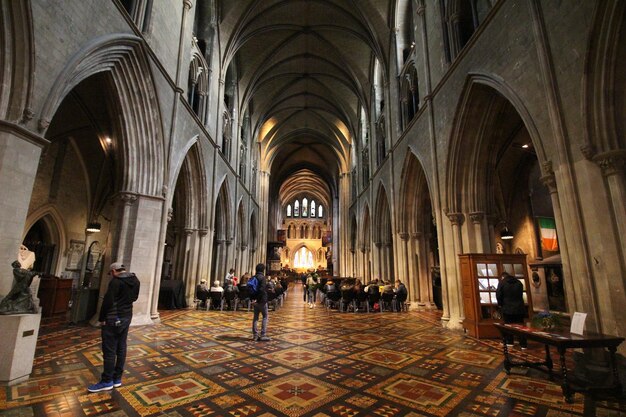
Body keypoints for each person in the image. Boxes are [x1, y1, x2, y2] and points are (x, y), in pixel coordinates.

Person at [88, 262, 140, 392]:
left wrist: (102, 318)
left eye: (111, 273)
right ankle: (117, 378)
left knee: (110, 349)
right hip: (127, 316)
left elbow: (108, 301)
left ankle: (107, 381)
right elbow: (134, 298)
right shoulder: (135, 280)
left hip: (113, 317)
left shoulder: (116, 282)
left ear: (113, 271)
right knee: (121, 347)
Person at [496, 271, 527, 349]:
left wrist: (500, 304)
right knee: (521, 326)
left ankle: (509, 341)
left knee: (508, 325)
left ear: (503, 277)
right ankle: (523, 344)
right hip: (519, 307)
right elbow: (520, 294)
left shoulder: (502, 283)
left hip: (507, 307)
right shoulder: (519, 282)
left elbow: (498, 295)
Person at [251, 263, 270, 341]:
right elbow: (261, 290)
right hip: (261, 301)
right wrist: (258, 300)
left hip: (255, 301)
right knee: (265, 317)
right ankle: (263, 335)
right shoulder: (262, 278)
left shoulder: (253, 277)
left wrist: (253, 299)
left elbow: (250, 289)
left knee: (255, 317)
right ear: (263, 270)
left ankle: (255, 335)